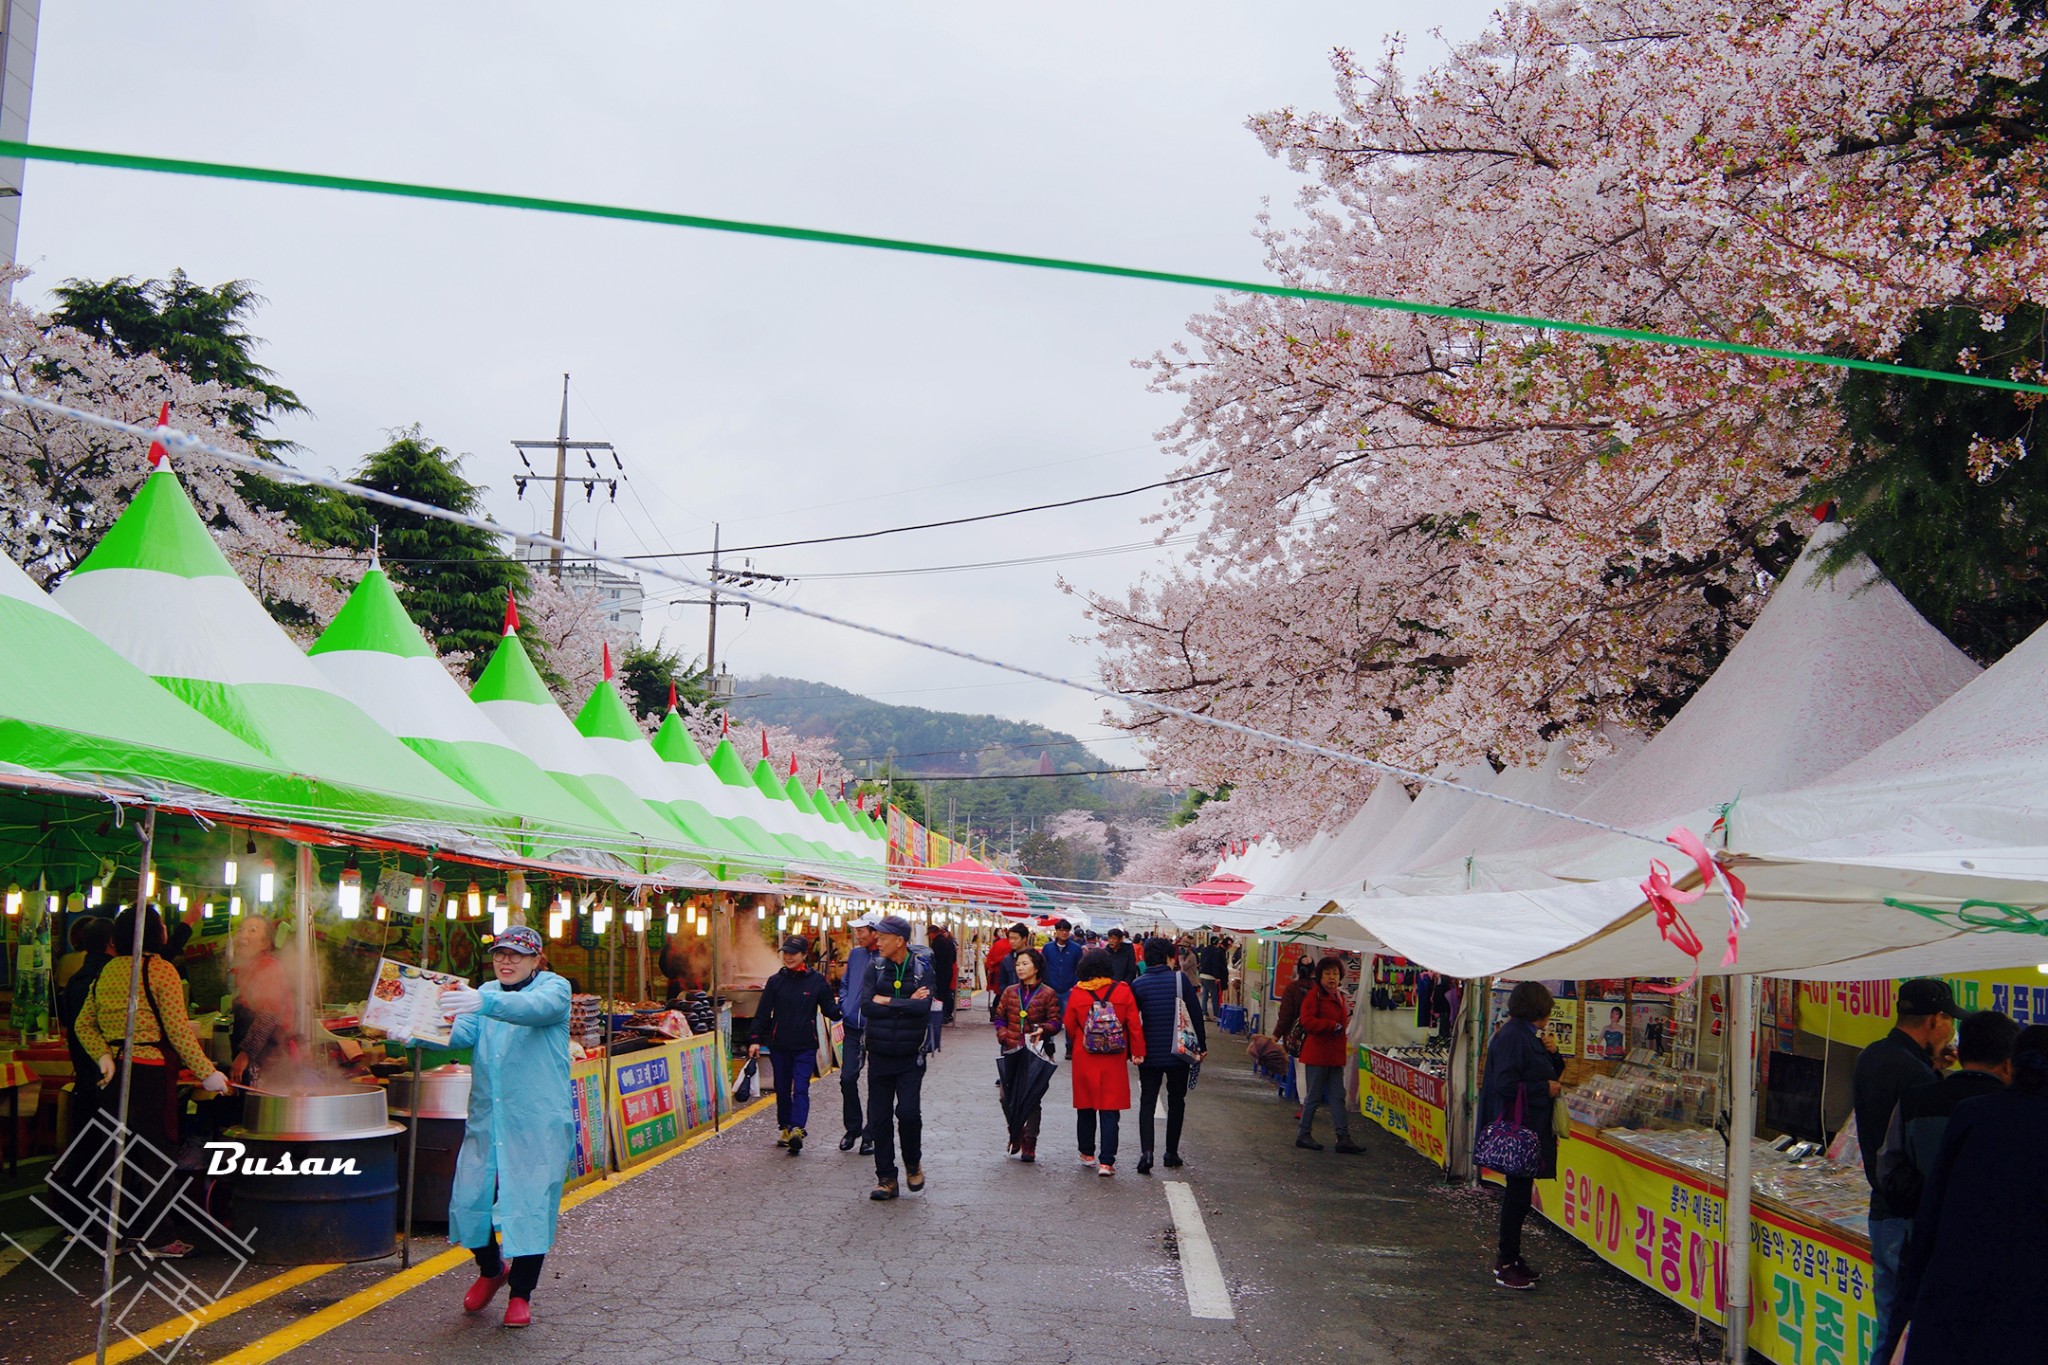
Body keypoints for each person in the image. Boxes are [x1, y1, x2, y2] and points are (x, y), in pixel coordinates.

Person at [413, 926, 574, 1329]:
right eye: (501, 954)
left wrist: (481, 1001)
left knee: (530, 1205)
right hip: (489, 1118)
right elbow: (459, 1032)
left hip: (536, 1122)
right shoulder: (485, 992)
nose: (506, 961)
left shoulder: (555, 990)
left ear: (537, 960)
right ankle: (491, 1269)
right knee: (469, 1200)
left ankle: (521, 1293)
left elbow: (532, 1010)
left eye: (517, 955)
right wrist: (412, 1030)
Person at [1882, 1023, 2048, 1362]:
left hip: (1958, 1299)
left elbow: (1932, 1213)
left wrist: (1906, 1310)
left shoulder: (1974, 1114)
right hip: (2031, 1311)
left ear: (2013, 1066)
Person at [73, 903, 230, 1258]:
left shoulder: (109, 970)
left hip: (112, 1075)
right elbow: (177, 1032)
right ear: (158, 933)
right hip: (149, 1072)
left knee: (114, 1153)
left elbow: (84, 1023)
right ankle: (158, 1238)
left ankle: (110, 1236)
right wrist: (208, 1074)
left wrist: (102, 1055)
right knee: (157, 1154)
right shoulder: (162, 971)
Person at [1850, 977, 1959, 1349]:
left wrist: (1932, 1067)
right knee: (1908, 1332)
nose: (1951, 1031)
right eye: (1950, 1021)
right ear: (1935, 1019)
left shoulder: (1872, 1055)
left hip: (1881, 1211)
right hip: (1909, 1217)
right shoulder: (1914, 1074)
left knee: (1890, 1324)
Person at [1878, 1008, 2018, 1225]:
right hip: (1998, 1235)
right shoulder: (2020, 1109)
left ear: (1959, 1054)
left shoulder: (1913, 1100)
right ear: (2009, 1063)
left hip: (1927, 1231)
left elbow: (1889, 1167)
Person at [1477, 980, 1567, 1291]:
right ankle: (1505, 1262)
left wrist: (1554, 1056)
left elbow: (1545, 1072)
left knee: (1520, 1196)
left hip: (1529, 1131)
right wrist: (1544, 1088)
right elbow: (1505, 1084)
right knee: (1516, 1197)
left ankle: (1512, 1258)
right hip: (1520, 1131)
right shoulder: (1514, 1037)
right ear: (1538, 1009)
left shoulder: (1524, 1035)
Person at [862, 914, 934, 1200]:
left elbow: (923, 1008)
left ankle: (913, 1162)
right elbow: (867, 1005)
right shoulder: (875, 967)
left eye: (882, 937)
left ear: (899, 941)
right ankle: (886, 1178)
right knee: (879, 1118)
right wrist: (905, 1003)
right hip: (878, 1054)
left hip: (909, 1056)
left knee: (907, 1113)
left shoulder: (922, 969)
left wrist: (888, 1001)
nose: (877, 941)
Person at [750, 935, 841, 1156]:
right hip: (779, 1044)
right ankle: (785, 1127)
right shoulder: (775, 981)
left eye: (793, 953)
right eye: (786, 953)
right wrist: (754, 1039)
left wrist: (848, 1004)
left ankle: (797, 1129)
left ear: (804, 955)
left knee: (801, 1087)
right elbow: (762, 1013)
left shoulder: (817, 981)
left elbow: (830, 1010)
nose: (788, 957)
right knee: (782, 1089)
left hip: (805, 1045)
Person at [1063, 947, 1143, 1176]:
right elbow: (1134, 1024)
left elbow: (1069, 1025)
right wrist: (1137, 1051)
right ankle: (1106, 1162)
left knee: (1085, 1105)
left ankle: (1087, 1153)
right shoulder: (1122, 991)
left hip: (1084, 1055)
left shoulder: (1077, 994)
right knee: (1110, 1109)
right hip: (1114, 1057)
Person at [1131, 936, 1205, 1174]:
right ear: (1168, 958)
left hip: (1150, 1054)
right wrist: (1201, 1046)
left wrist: (1134, 1050)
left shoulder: (1138, 984)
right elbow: (1195, 1014)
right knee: (1176, 1100)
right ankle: (1171, 1152)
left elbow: (1133, 1022)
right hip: (1179, 1053)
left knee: (1147, 1102)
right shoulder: (1180, 980)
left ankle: (1147, 1152)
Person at [993, 946, 1061, 1161]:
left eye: (1025, 964)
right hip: (1012, 1049)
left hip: (1035, 1052)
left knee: (1032, 1098)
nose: (1020, 968)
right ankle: (1016, 1131)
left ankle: (1029, 1141)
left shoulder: (1048, 993)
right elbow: (999, 1016)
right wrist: (1003, 1033)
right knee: (1006, 1097)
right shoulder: (1010, 991)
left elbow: (1056, 1021)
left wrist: (1044, 1028)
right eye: (1018, 964)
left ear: (1037, 967)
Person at [1296, 957, 1363, 1155]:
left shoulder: (1339, 996)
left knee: (1337, 1097)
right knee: (1313, 1097)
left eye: (1334, 973)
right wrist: (1330, 1025)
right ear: (1320, 976)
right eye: (1327, 974)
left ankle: (1343, 1137)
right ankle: (1303, 1134)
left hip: (1334, 1055)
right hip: (1317, 1054)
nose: (1331, 977)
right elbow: (1307, 1022)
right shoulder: (1314, 996)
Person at [229, 915, 295, 1085]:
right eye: (241, 929)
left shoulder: (269, 966)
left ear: (265, 943)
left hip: (268, 1059)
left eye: (252, 930)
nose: (243, 935)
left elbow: (268, 1016)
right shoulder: (247, 968)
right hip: (255, 1056)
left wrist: (245, 1055)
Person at [837, 914, 878, 1154]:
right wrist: (845, 1003)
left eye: (862, 931)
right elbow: (845, 983)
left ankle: (870, 1133)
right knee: (847, 1078)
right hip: (853, 1027)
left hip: (876, 1028)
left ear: (874, 932)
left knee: (876, 1082)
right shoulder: (855, 954)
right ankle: (852, 1128)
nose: (858, 935)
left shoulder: (885, 957)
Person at [1042, 919, 1084, 1011]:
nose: (1064, 933)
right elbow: (1043, 966)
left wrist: (1074, 985)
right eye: (1061, 930)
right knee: (1050, 1013)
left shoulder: (1076, 948)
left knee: (1066, 1015)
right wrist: (1045, 983)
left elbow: (1079, 968)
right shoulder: (1048, 948)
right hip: (1050, 988)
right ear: (1056, 931)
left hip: (1068, 989)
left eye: (1066, 930)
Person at [928, 924, 959, 1026]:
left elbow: (933, 960)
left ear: (933, 933)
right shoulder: (949, 942)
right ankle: (947, 1014)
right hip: (948, 971)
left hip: (939, 972)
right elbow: (954, 958)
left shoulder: (936, 944)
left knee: (939, 994)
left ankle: (940, 1015)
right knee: (947, 993)